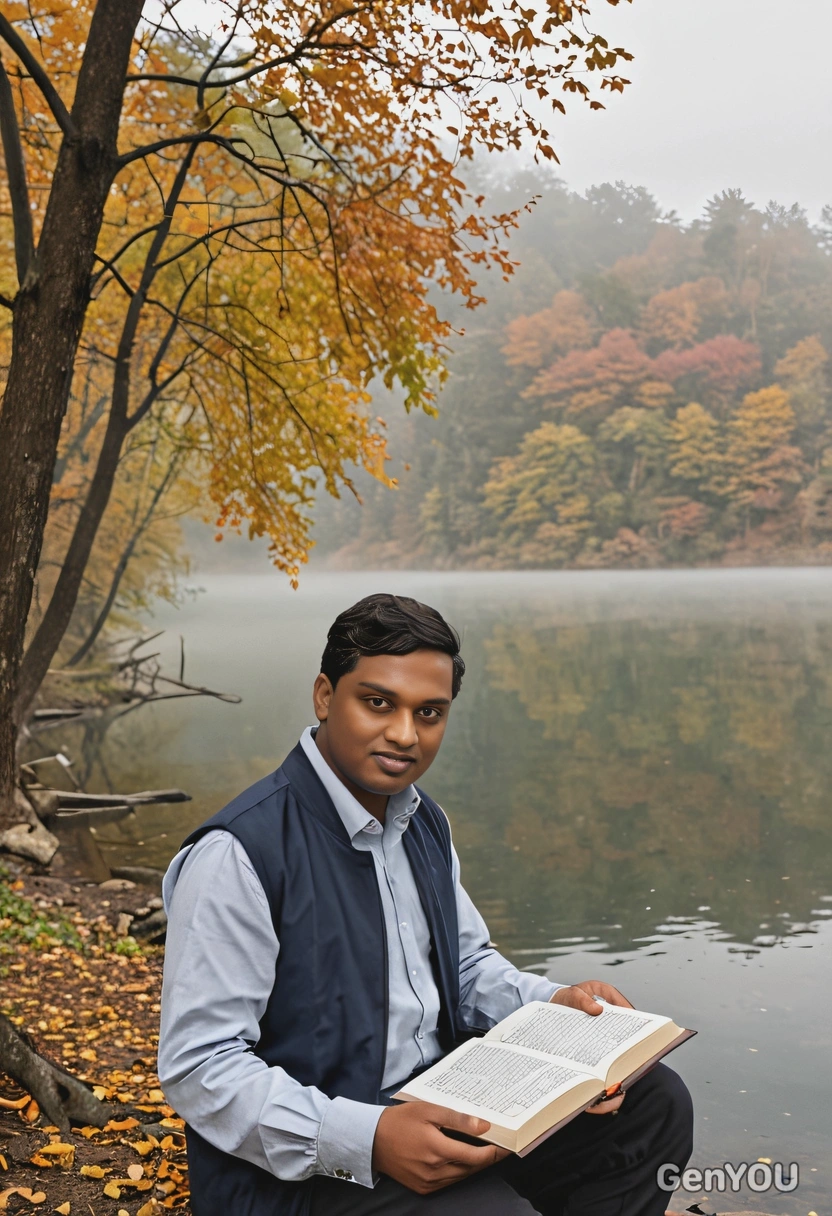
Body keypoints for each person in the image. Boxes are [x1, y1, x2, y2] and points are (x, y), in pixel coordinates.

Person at [158, 593, 692, 1216]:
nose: (405, 734)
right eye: (378, 703)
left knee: (654, 1107)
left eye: (429, 712)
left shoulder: (421, 821)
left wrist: (555, 1008)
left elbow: (464, 967)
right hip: (301, 1172)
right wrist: (370, 1139)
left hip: (435, 1104)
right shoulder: (239, 853)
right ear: (325, 696)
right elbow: (201, 1066)